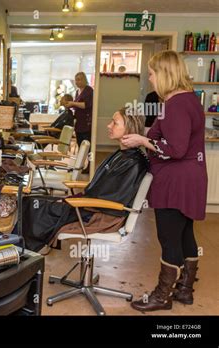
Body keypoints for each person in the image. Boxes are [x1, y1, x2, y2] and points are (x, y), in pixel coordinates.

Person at [121, 50, 207, 312]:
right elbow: (174, 138)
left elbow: (175, 148)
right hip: (191, 178)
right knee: (184, 234)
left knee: (169, 237)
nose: (150, 79)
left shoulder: (176, 105)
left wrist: (142, 141)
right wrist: (144, 134)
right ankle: (185, 290)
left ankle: (162, 296)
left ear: (165, 74)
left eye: (151, 74)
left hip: (176, 182)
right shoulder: (189, 100)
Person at [21, 107, 148, 252]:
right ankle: (25, 253)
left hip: (101, 216)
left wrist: (74, 201)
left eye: (115, 123)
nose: (109, 125)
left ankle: (25, 257)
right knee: (31, 200)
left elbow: (111, 198)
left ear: (129, 128)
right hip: (94, 207)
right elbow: (103, 191)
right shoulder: (125, 155)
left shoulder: (132, 162)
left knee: (33, 205)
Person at [66, 72, 94, 147]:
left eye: (79, 80)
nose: (77, 82)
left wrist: (73, 103)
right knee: (80, 143)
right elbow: (76, 106)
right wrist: (69, 105)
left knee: (86, 145)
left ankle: (88, 158)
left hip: (86, 123)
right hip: (79, 123)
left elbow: (86, 105)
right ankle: (81, 158)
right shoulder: (77, 91)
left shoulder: (89, 90)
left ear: (84, 80)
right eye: (76, 80)